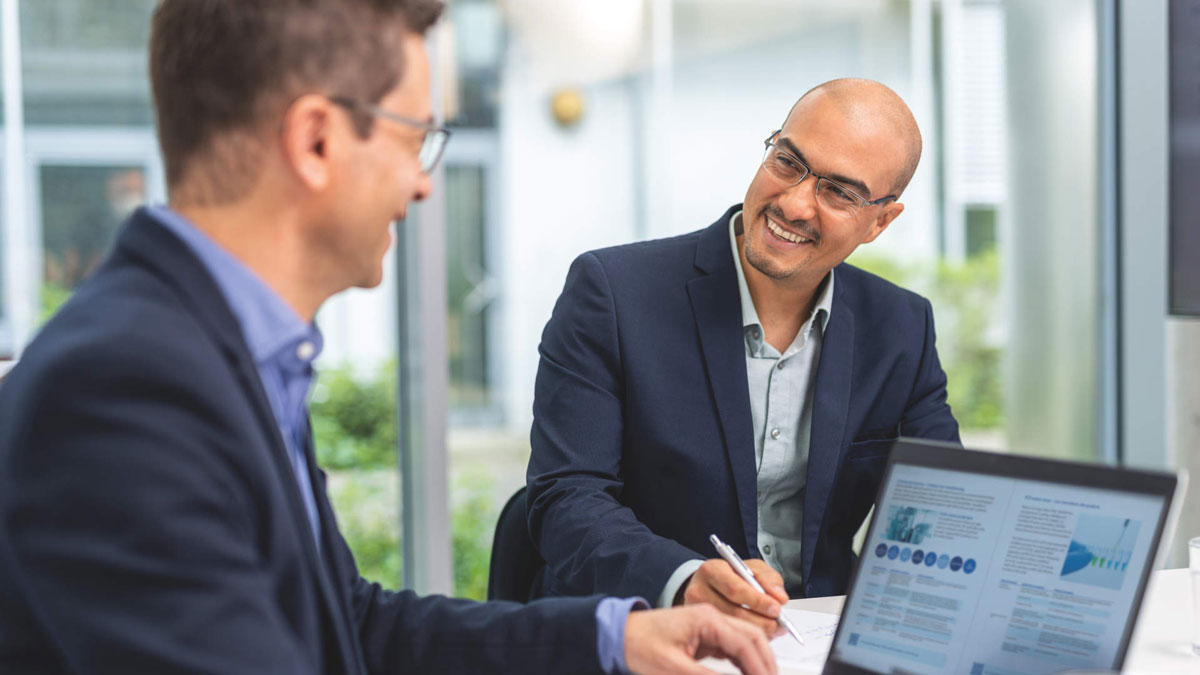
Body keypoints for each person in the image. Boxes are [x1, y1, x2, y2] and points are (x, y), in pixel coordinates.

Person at [0, 2, 776, 674]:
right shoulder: (126, 388)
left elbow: (345, 623)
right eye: (416, 138)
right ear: (315, 142)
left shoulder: (219, 350)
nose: (424, 181)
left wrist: (616, 636)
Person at [526, 79, 961, 637]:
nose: (795, 202)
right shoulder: (612, 294)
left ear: (880, 221)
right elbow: (566, 499)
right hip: (654, 633)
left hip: (817, 642)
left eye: (839, 193)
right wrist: (685, 582)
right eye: (788, 162)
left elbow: (948, 510)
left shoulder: (902, 327)